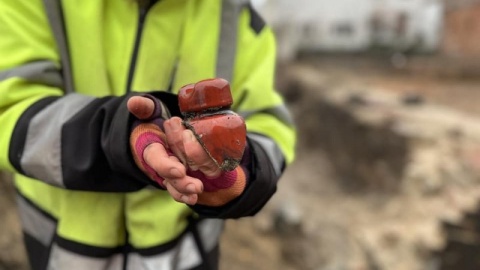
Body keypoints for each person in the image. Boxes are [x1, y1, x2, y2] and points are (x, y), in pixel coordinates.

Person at [0, 0, 296, 269]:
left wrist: (238, 174)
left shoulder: (237, 17)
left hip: (184, 254)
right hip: (60, 251)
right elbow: (11, 107)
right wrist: (121, 136)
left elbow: (269, 126)